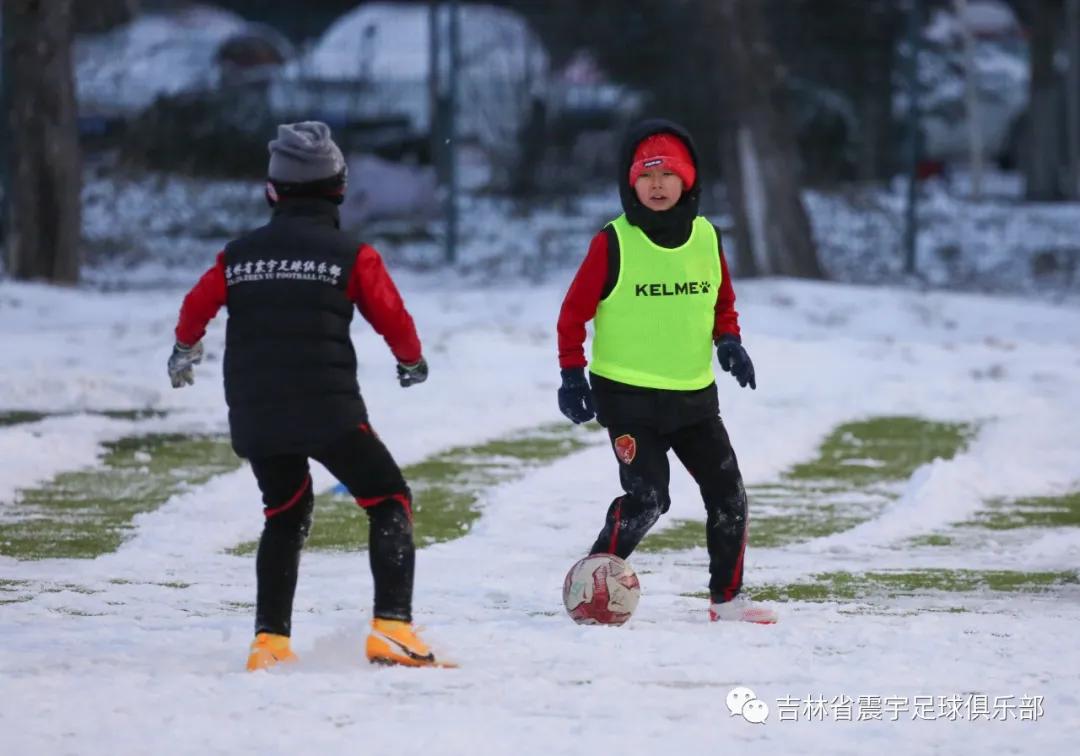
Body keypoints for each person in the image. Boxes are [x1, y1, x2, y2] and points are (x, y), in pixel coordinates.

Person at [168, 121, 448, 669]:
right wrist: (410, 360)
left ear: (272, 191)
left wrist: (185, 349)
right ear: (339, 189)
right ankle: (393, 628)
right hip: (329, 410)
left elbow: (196, 306)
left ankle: (270, 643)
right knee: (388, 498)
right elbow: (391, 314)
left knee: (285, 512)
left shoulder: (237, 256)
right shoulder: (351, 255)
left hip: (255, 412)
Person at [556, 118, 777, 624]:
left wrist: (730, 341)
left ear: (689, 181)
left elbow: (722, 300)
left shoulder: (706, 236)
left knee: (729, 496)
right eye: (645, 176)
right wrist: (572, 373)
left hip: (694, 399)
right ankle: (594, 580)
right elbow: (572, 313)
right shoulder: (612, 242)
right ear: (630, 184)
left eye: (667, 175)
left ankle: (728, 598)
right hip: (629, 399)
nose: (656, 186)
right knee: (649, 498)